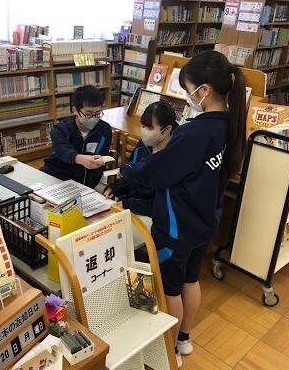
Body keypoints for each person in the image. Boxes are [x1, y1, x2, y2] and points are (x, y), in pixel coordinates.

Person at [120, 51, 246, 367]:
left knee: (170, 289)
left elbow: (159, 171)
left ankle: (170, 350)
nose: (188, 97)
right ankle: (185, 338)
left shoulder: (195, 132)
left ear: (204, 90)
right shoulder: (230, 125)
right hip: (205, 221)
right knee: (191, 279)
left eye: (188, 89)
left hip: (177, 224)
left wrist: (126, 171)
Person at [104, 101, 178, 216]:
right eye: (142, 126)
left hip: (153, 215)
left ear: (166, 130)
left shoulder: (175, 156)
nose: (143, 131)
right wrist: (116, 188)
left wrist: (129, 204)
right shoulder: (144, 145)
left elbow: (163, 205)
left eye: (149, 128)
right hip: (131, 207)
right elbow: (131, 175)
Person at [42, 85, 112, 188]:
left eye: (97, 113)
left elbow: (102, 158)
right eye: (88, 114)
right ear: (75, 110)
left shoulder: (104, 129)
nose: (93, 118)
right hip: (57, 178)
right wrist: (79, 158)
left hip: (86, 184)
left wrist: (89, 185)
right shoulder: (60, 129)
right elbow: (62, 151)